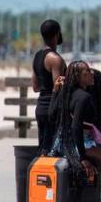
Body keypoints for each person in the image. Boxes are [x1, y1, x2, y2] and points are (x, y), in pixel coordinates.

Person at [48, 61, 101, 202]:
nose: (91, 74)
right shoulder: (84, 97)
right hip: (82, 145)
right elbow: (76, 127)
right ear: (77, 76)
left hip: (63, 143)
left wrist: (55, 91)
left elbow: (51, 116)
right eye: (87, 72)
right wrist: (83, 158)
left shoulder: (66, 93)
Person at [31, 19, 67, 152]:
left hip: (41, 107)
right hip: (53, 111)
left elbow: (35, 87)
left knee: (44, 151)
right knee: (55, 152)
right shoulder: (55, 59)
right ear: (57, 34)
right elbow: (58, 87)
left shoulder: (37, 56)